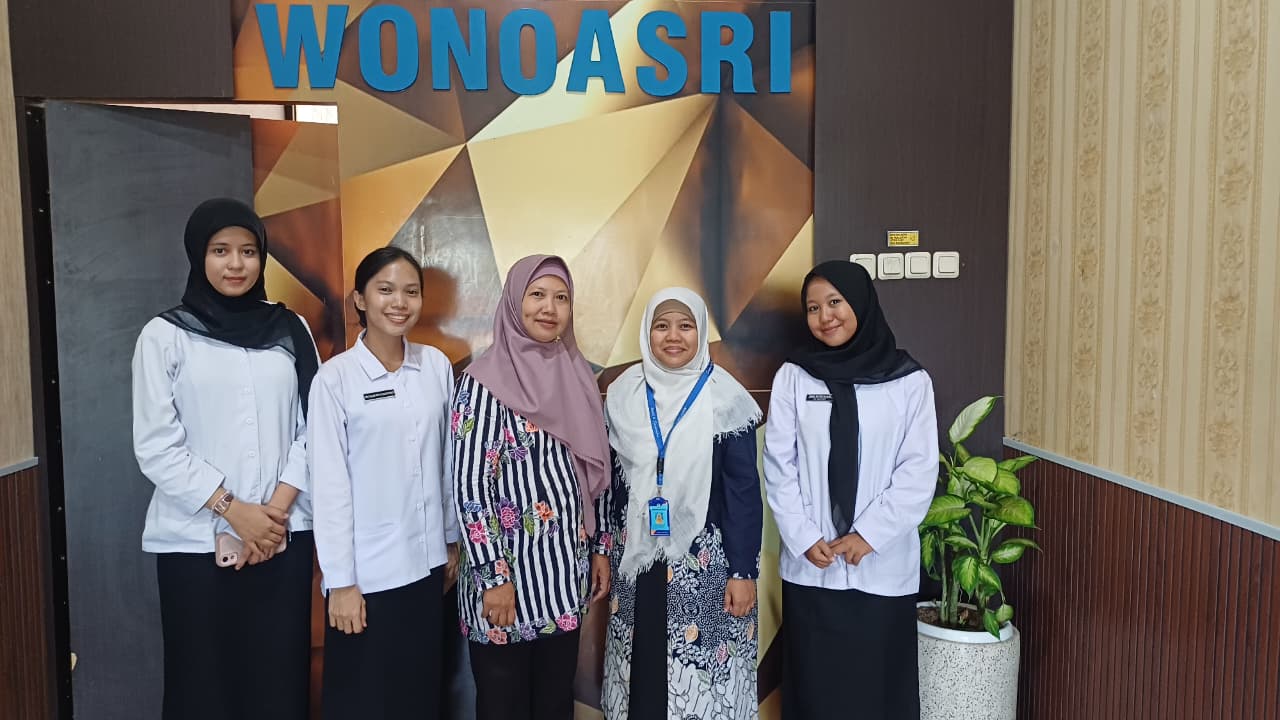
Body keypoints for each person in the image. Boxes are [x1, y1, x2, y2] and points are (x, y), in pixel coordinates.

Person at [132, 198, 318, 720]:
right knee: (204, 690)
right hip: (195, 545)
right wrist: (234, 511)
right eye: (220, 250)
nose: (236, 264)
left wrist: (270, 516)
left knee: (277, 686)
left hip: (281, 538)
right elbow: (156, 446)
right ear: (199, 255)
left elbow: (316, 429)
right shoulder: (164, 335)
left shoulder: (292, 328)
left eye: (248, 251)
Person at [764, 260, 938, 720]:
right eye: (813, 308)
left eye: (835, 302)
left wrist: (870, 535)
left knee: (877, 693)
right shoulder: (794, 377)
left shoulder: (910, 381)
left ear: (860, 302)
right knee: (816, 692)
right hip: (814, 564)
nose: (825, 317)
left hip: (881, 566)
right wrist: (804, 536)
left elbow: (918, 471)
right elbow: (780, 466)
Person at [452, 254, 612, 720]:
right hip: (506, 585)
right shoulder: (483, 384)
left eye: (561, 297)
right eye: (537, 295)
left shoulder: (577, 375)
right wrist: (495, 578)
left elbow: (594, 472)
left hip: (563, 579)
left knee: (554, 705)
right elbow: (469, 487)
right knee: (503, 706)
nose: (550, 308)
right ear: (513, 302)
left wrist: (600, 548)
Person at [307, 246, 461, 718]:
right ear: (359, 299)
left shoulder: (435, 366)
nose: (399, 302)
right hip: (368, 575)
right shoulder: (335, 380)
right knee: (365, 700)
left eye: (411, 292)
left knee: (419, 696)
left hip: (429, 567)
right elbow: (329, 487)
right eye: (386, 290)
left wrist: (451, 541)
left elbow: (448, 462)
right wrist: (341, 583)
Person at [601, 287, 764, 719]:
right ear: (647, 332)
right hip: (637, 560)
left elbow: (743, 492)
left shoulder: (726, 399)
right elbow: (610, 486)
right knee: (641, 677)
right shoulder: (623, 394)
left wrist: (743, 572)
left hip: (705, 569)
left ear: (701, 332)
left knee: (696, 689)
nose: (673, 336)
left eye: (685, 326)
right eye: (661, 325)